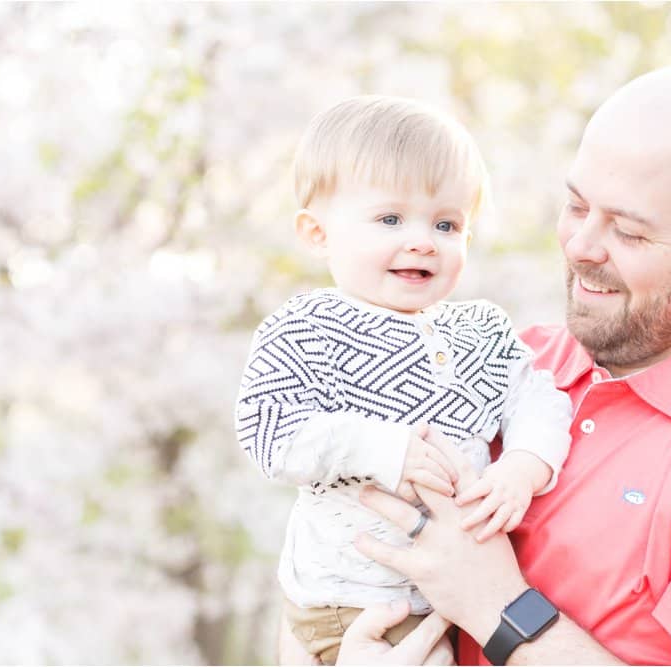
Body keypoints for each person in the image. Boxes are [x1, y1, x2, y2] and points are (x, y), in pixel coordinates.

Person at [279, 64, 671, 665]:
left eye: (630, 232)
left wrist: (497, 605)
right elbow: (323, 571)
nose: (581, 246)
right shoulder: (507, 360)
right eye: (577, 206)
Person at [235, 96, 573, 665]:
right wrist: (387, 449)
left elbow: (539, 396)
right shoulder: (308, 328)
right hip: (354, 602)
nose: (423, 240)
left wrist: (524, 463)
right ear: (318, 234)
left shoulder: (479, 330)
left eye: (446, 224)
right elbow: (270, 433)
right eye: (391, 219)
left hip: (450, 597)